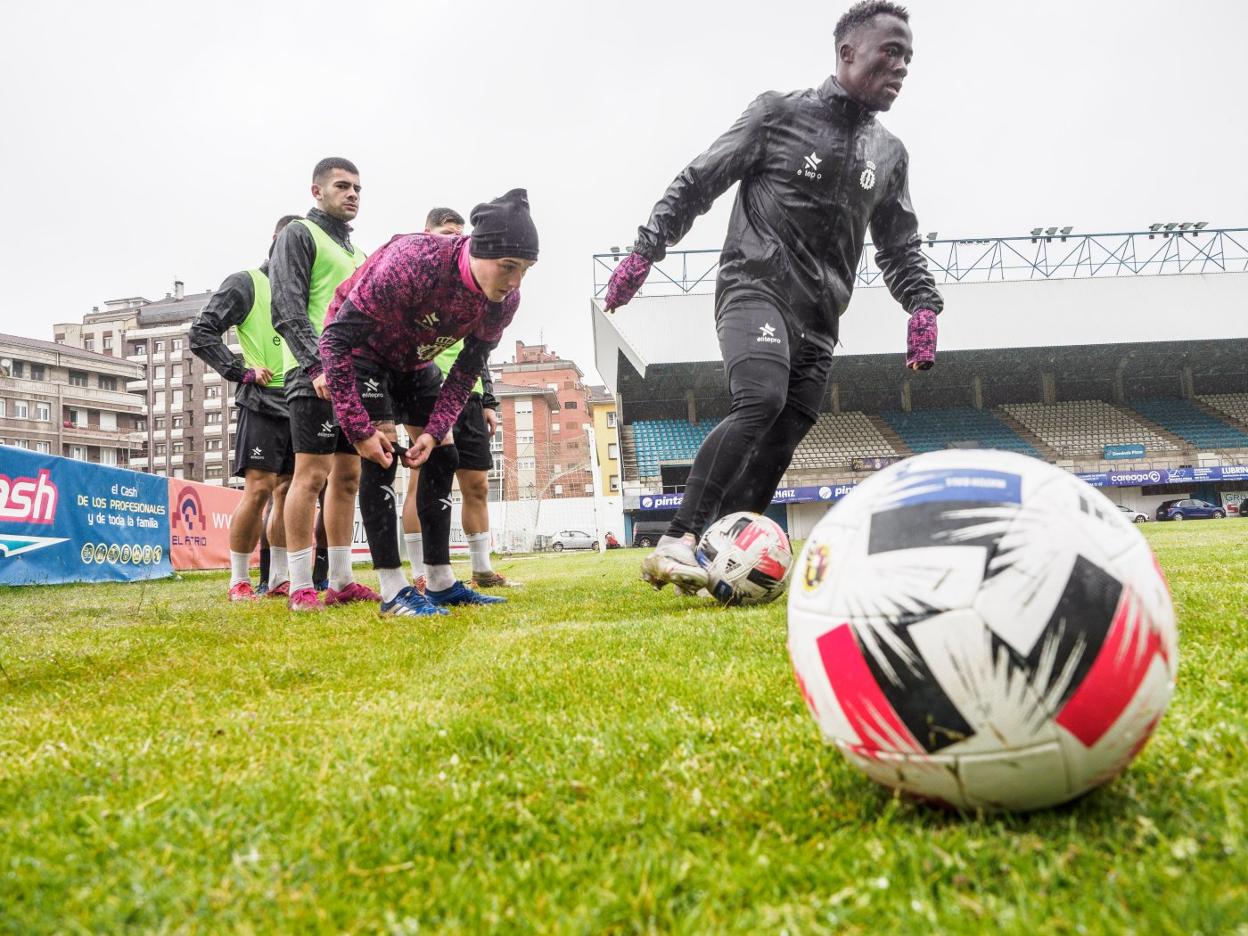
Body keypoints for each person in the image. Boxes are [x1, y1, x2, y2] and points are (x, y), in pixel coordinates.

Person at [605, 0, 943, 594]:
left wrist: (922, 306)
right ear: (847, 53)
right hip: (755, 287)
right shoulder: (777, 114)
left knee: (784, 432)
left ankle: (719, 553)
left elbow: (899, 245)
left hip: (822, 315)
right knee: (760, 399)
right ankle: (677, 539)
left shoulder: (890, 155)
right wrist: (644, 253)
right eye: (891, 53)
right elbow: (698, 181)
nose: (902, 68)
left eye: (909, 59)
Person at [319, 189, 538, 616]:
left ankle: (439, 581)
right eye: (508, 267)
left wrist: (435, 431)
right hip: (361, 348)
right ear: (477, 249)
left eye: (525, 270)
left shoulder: (504, 300)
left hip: (415, 359)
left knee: (444, 453)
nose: (514, 281)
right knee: (380, 455)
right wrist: (359, 429)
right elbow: (335, 340)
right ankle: (392, 589)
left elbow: (465, 371)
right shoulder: (415, 261)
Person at [270, 156, 377, 612]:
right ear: (317, 192)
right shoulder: (299, 234)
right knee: (310, 474)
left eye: (357, 187)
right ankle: (299, 585)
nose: (352, 193)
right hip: (312, 374)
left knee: (348, 476)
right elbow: (288, 306)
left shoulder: (359, 254)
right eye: (342, 186)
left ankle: (341, 580)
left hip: (354, 375)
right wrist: (317, 367)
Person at [189, 214, 301, 601]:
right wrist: (241, 370)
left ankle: (279, 579)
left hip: (301, 402)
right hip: (263, 402)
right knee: (259, 490)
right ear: (276, 241)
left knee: (290, 491)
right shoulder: (247, 282)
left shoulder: (306, 289)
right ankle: (238, 580)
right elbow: (201, 331)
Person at [401, 208, 513, 593]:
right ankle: (421, 571)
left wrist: (489, 401)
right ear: (427, 233)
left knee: (477, 484)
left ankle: (482, 568)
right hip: (427, 389)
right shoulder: (418, 277)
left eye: (459, 235)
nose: (454, 241)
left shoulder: (475, 287)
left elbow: (479, 351)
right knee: (424, 479)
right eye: (446, 233)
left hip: (469, 396)